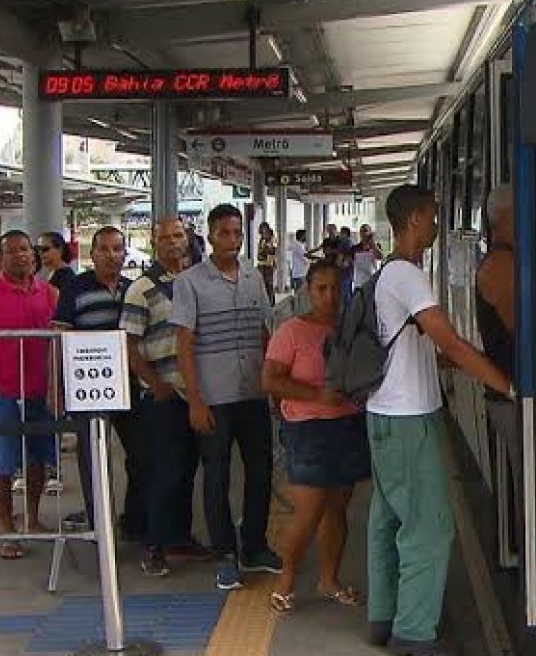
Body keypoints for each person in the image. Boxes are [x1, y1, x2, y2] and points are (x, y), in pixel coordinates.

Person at [366, 184, 512, 656]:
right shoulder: (407, 275)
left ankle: (384, 617)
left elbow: (422, 348)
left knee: (387, 518)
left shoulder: (386, 272)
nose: (435, 225)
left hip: (386, 412)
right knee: (429, 526)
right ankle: (414, 631)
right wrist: (508, 384)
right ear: (413, 221)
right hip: (408, 418)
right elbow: (449, 342)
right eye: (432, 216)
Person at [171, 204, 281, 590]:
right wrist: (195, 401)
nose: (232, 240)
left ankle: (254, 545)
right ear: (211, 234)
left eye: (237, 233)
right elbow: (184, 343)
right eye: (225, 233)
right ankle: (225, 554)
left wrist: (275, 385)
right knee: (216, 475)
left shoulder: (253, 276)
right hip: (213, 397)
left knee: (261, 471)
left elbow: (266, 332)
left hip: (252, 391)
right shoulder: (189, 282)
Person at [262, 261, 368, 613]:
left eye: (336, 288)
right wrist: (316, 396)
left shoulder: (351, 329)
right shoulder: (291, 331)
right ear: (308, 289)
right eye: (321, 288)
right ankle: (287, 578)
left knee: (338, 509)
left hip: (348, 425)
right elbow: (271, 380)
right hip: (307, 430)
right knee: (308, 511)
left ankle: (329, 579)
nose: (329, 296)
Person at [121, 218, 212, 577]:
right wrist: (156, 385)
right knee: (165, 472)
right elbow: (129, 344)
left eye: (178, 236)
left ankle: (179, 538)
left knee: (188, 470)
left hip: (199, 395)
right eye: (165, 237)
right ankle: (155, 545)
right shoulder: (141, 289)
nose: (173, 243)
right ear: (153, 242)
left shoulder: (200, 282)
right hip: (165, 398)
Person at [53, 226, 146, 539]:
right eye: (103, 249)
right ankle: (100, 528)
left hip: (131, 389)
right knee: (93, 461)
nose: (111, 255)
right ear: (91, 254)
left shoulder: (135, 289)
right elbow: (59, 336)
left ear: (125, 253)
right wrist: (59, 388)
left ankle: (133, 521)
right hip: (90, 393)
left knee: (142, 456)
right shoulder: (75, 289)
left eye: (117, 249)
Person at [0, 231, 59, 559]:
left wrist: (55, 388)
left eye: (26, 250)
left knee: (38, 458)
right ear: (2, 257)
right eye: (13, 251)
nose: (23, 256)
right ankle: (6, 527)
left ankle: (33, 518)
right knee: (3, 464)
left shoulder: (50, 293)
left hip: (40, 391)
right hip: (3, 392)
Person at [474, 186, 520, 537]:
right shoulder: (502, 265)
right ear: (505, 217)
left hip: (511, 396)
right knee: (529, 484)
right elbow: (526, 330)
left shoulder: (503, 259)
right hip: (513, 396)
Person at [351, 224, 383, 290]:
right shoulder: (355, 248)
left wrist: (373, 245)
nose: (363, 233)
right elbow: (349, 261)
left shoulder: (376, 246)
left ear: (370, 233)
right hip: (359, 283)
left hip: (373, 282)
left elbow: (380, 256)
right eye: (361, 231)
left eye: (365, 231)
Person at [256, 222, 277, 301]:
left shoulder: (271, 239)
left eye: (263, 229)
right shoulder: (262, 239)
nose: (261, 231)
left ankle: (271, 301)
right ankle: (266, 300)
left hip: (268, 264)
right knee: (262, 284)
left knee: (269, 284)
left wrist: (265, 250)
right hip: (262, 264)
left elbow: (272, 251)